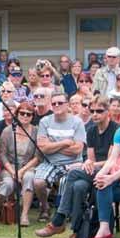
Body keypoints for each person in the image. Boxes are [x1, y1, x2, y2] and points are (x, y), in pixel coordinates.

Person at [35, 96, 117, 238]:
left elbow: (111, 161)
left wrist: (87, 165)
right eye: (92, 111)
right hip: (93, 171)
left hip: (109, 172)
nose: (95, 114)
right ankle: (77, 232)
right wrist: (87, 163)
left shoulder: (115, 129)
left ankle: (59, 219)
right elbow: (90, 158)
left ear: (108, 112)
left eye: (99, 111)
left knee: (73, 173)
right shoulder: (92, 130)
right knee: (78, 186)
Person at [34, 92, 86, 222]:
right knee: (38, 182)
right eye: (54, 103)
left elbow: (77, 149)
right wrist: (65, 143)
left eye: (60, 103)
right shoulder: (45, 121)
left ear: (67, 105)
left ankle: (62, 213)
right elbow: (42, 148)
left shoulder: (77, 122)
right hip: (50, 162)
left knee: (66, 182)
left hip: (73, 162)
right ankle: (45, 208)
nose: (57, 105)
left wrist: (51, 145)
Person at [0, 102, 40, 226]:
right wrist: (13, 172)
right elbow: (2, 154)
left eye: (29, 114)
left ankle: (24, 215)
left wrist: (22, 171)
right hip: (9, 166)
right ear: (16, 114)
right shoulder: (7, 131)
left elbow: (38, 156)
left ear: (33, 116)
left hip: (28, 166)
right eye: (22, 113)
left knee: (29, 178)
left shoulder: (36, 131)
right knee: (8, 183)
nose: (25, 116)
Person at [89, 99, 120, 238]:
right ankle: (105, 231)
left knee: (108, 181)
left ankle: (105, 234)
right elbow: (112, 159)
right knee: (102, 184)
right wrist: (102, 175)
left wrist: (112, 177)